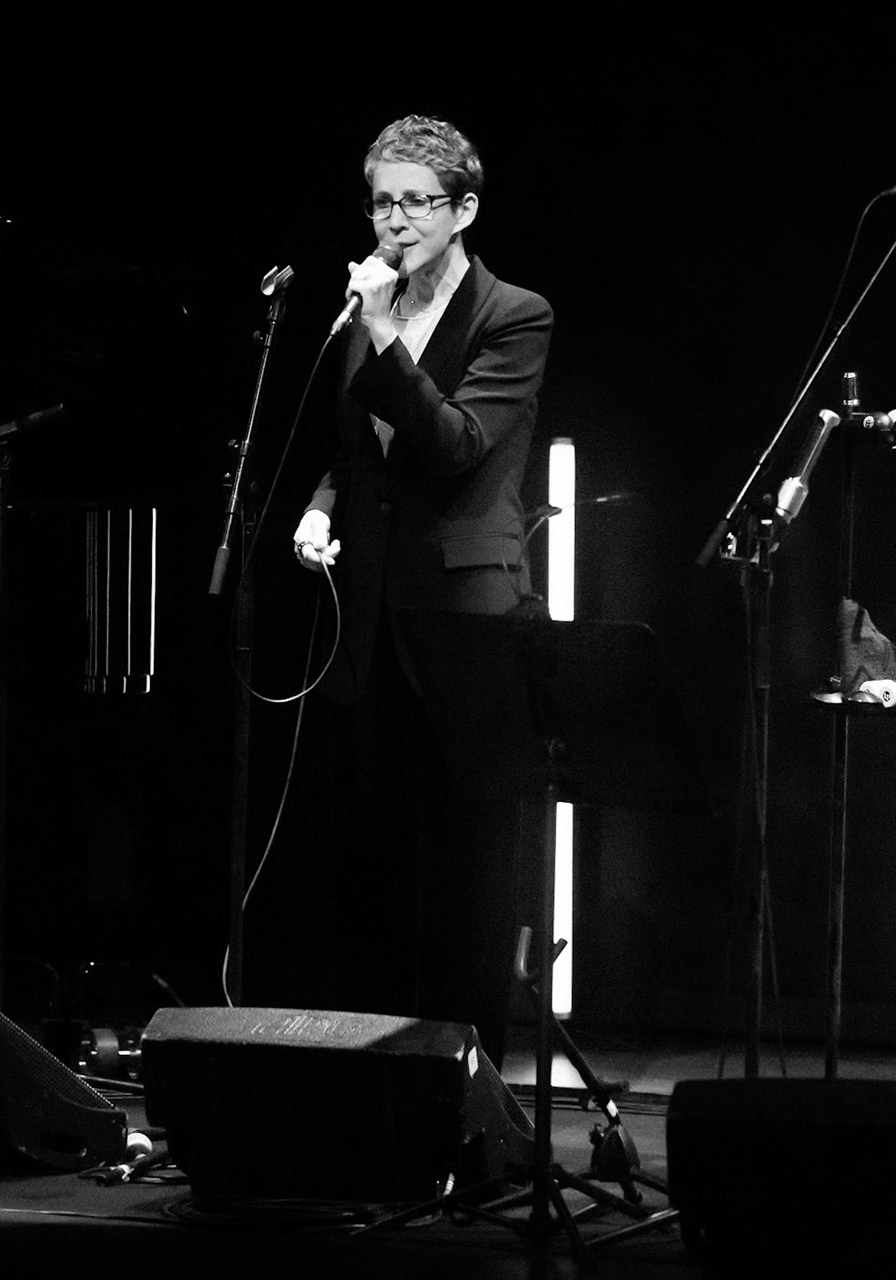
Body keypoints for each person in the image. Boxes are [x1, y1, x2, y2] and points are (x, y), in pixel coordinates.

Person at [292, 114, 553, 1068]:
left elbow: (452, 449)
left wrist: (379, 332)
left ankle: (466, 1085)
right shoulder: (371, 310)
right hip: (368, 610)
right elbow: (356, 451)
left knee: (465, 865)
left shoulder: (513, 314)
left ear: (463, 209)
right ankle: (370, 1082)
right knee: (372, 851)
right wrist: (324, 506)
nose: (392, 223)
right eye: (380, 202)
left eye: (414, 202)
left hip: (462, 613)